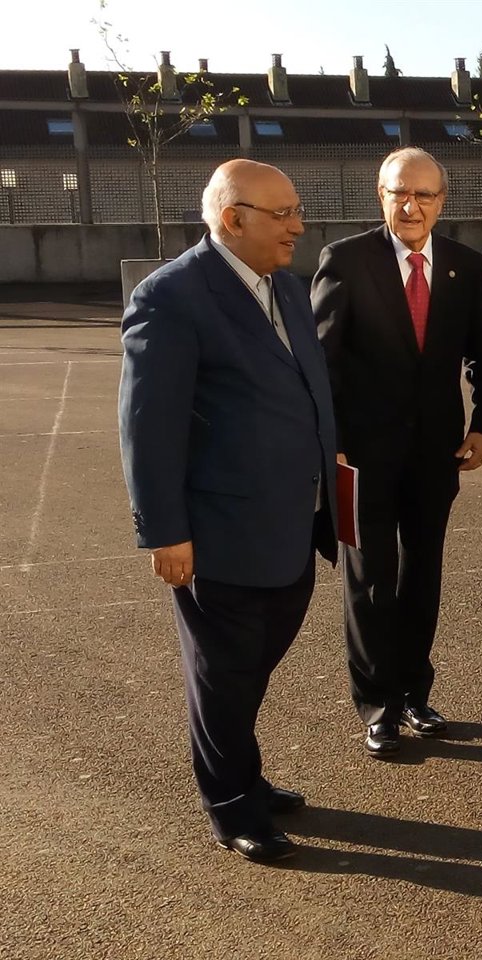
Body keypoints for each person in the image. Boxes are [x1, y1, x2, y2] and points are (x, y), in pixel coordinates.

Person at [118, 159, 338, 862]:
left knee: (250, 666)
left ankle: (243, 773)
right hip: (217, 534)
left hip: (292, 522)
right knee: (224, 673)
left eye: (298, 209)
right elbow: (148, 426)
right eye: (283, 214)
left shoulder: (292, 290)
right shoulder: (172, 297)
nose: (298, 227)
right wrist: (164, 531)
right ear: (232, 217)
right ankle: (230, 804)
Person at [311, 147, 482, 758]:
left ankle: (416, 694)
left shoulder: (466, 267)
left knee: (422, 576)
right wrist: (331, 446)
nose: (412, 205)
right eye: (400, 192)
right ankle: (378, 706)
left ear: (441, 202)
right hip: (361, 457)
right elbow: (322, 363)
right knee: (371, 581)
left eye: (425, 195)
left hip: (435, 454)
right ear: (381, 194)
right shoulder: (345, 260)